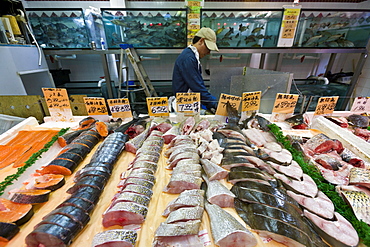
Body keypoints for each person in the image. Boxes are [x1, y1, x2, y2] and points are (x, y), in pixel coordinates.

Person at [172, 27, 219, 112]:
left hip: (189, 103)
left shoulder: (190, 55)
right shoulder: (188, 58)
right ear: (201, 41)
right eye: (208, 48)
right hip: (185, 106)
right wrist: (214, 102)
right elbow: (196, 86)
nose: (208, 52)